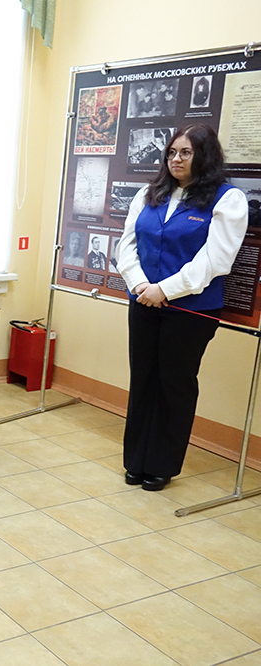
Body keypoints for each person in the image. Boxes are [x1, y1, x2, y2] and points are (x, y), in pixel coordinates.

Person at [116, 124, 248, 491]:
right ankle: (136, 461)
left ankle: (161, 465)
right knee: (143, 378)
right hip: (143, 302)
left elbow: (215, 260)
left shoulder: (227, 199)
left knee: (174, 384)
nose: (176, 159)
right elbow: (127, 245)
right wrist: (140, 285)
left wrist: (164, 290)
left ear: (204, 156)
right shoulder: (149, 193)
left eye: (186, 153)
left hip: (191, 310)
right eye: (172, 152)